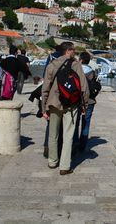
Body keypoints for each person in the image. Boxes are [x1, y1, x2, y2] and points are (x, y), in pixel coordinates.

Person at [42, 42, 89, 175]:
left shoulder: (52, 65)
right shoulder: (76, 65)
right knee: (68, 135)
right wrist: (84, 105)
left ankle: (52, 161)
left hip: (54, 103)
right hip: (71, 104)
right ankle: (64, 166)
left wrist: (44, 108)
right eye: (73, 50)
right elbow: (84, 87)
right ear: (68, 51)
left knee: (53, 134)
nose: (75, 52)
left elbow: (45, 88)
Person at [74, 51, 99, 152]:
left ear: (80, 60)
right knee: (86, 123)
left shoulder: (76, 71)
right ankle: (82, 146)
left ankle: (75, 142)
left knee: (75, 122)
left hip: (77, 100)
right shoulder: (92, 72)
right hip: (89, 100)